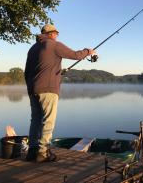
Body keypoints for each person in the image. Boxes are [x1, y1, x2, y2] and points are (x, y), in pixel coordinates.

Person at [24, 24, 95, 162]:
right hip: (48, 90)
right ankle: (43, 152)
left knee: (36, 120)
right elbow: (75, 55)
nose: (57, 36)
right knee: (48, 120)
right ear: (50, 34)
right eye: (56, 33)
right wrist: (88, 51)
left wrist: (31, 87)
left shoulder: (32, 49)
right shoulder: (53, 45)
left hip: (33, 90)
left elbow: (26, 72)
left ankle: (32, 151)